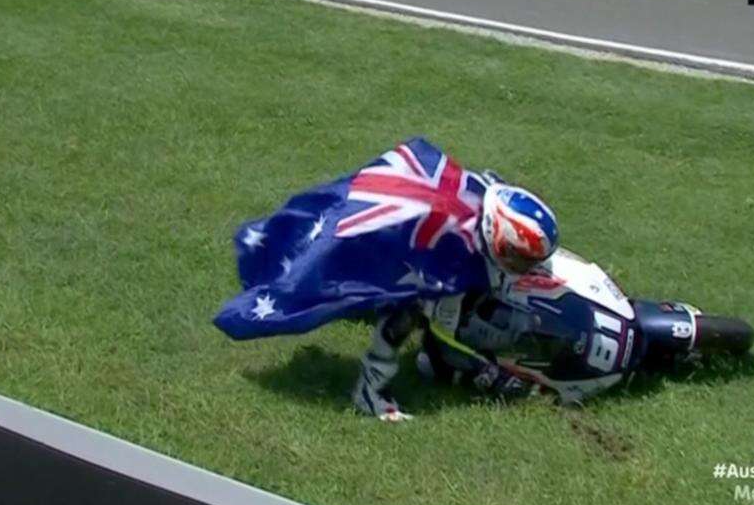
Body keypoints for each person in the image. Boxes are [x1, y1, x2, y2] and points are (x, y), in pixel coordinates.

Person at [213, 137, 559, 421]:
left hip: (414, 216)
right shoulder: (452, 248)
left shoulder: (488, 192)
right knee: (404, 309)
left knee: (428, 297)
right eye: (515, 255)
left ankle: (417, 349)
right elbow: (435, 314)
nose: (521, 265)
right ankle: (370, 391)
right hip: (396, 236)